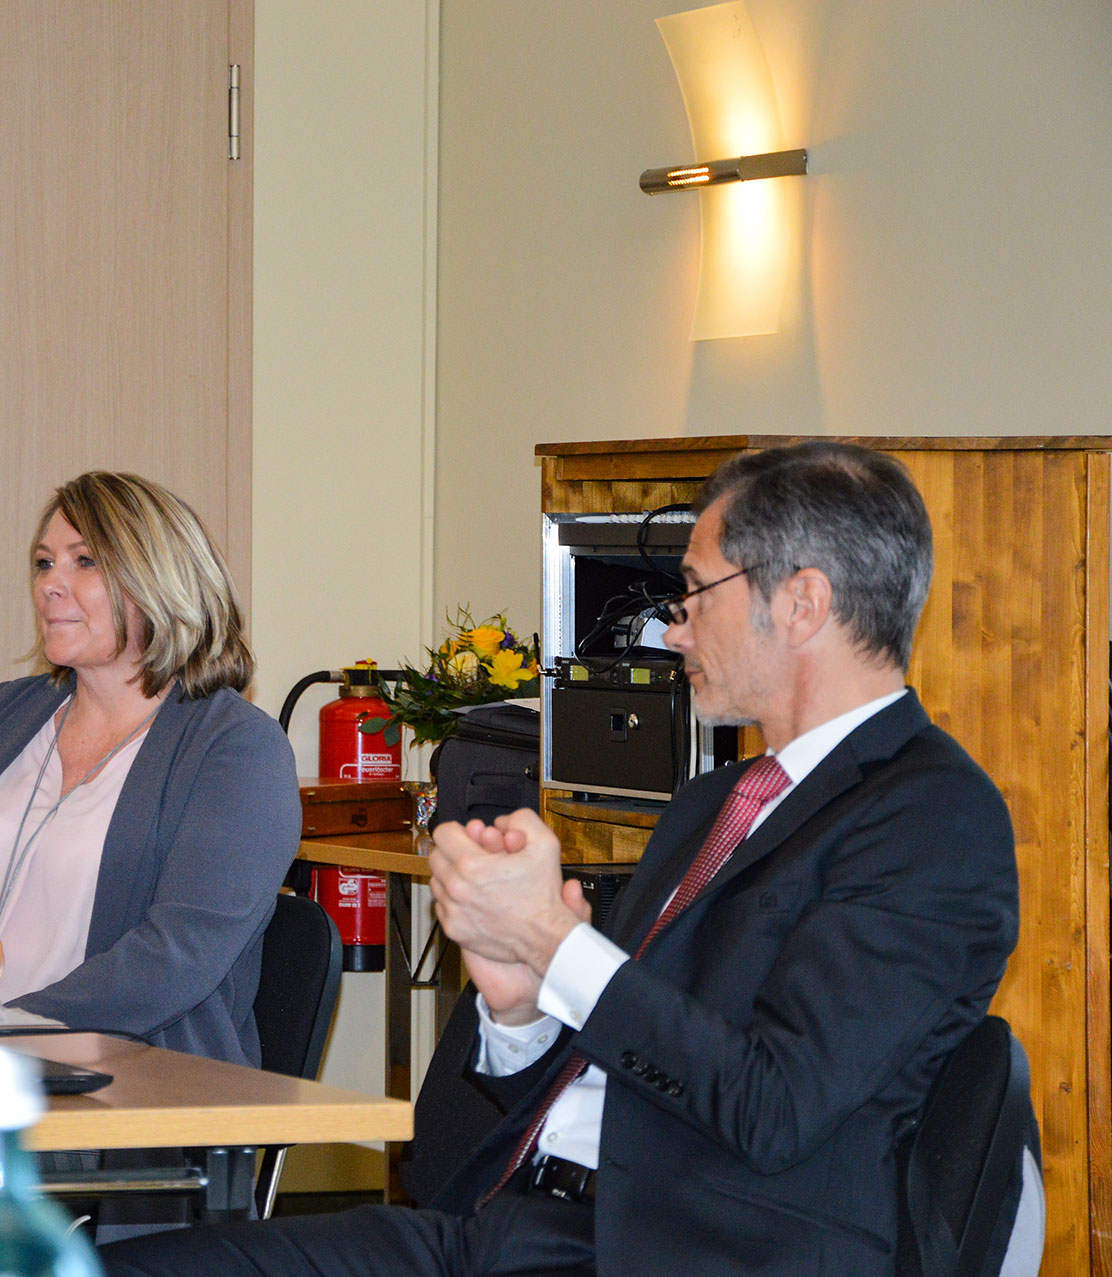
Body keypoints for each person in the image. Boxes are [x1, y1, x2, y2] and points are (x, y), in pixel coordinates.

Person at [104, 441, 1020, 1275]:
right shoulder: (711, 803)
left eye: (694, 593)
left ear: (802, 602)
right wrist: (520, 1006)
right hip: (511, 1224)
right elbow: (627, 1053)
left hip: (681, 1251)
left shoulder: (931, 817)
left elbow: (773, 1107)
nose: (672, 630)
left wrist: (554, 943)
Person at [0, 470, 299, 1068]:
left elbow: (173, 960)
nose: (50, 585)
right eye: (44, 563)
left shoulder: (237, 748)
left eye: (85, 561)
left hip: (119, 1083)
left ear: (160, 581)